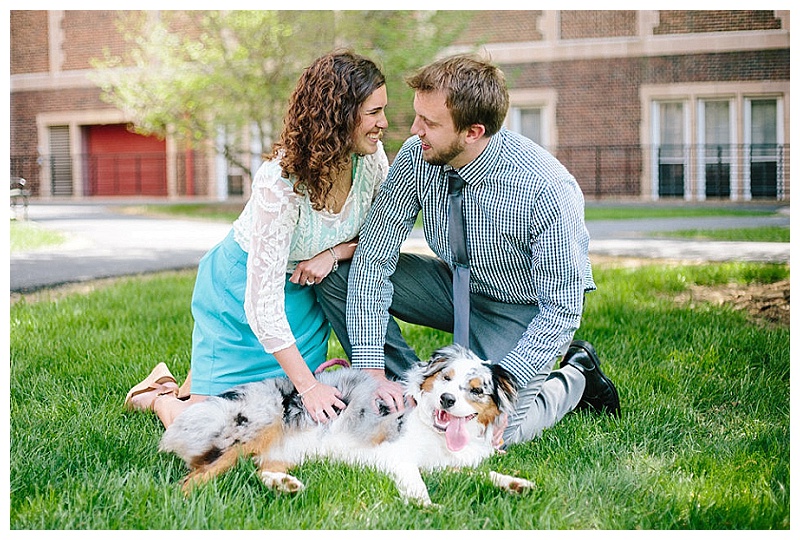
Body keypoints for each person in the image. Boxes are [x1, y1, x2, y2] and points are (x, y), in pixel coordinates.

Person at [316, 54, 619, 447]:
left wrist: (502, 387)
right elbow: (375, 256)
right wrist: (371, 366)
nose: (414, 130)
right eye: (417, 116)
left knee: (489, 434)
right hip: (453, 287)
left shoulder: (545, 188)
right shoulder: (417, 156)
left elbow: (562, 308)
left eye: (429, 123)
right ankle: (410, 393)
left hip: (519, 310)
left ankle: (576, 377)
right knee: (340, 278)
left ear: (473, 132)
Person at [124, 50, 389, 427]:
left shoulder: (372, 159)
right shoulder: (279, 183)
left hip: (302, 295)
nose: (384, 123)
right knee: (206, 423)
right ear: (340, 115)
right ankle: (158, 395)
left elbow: (381, 237)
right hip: (241, 290)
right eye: (374, 112)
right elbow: (262, 303)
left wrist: (334, 253)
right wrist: (310, 387)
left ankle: (200, 380)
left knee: (282, 414)